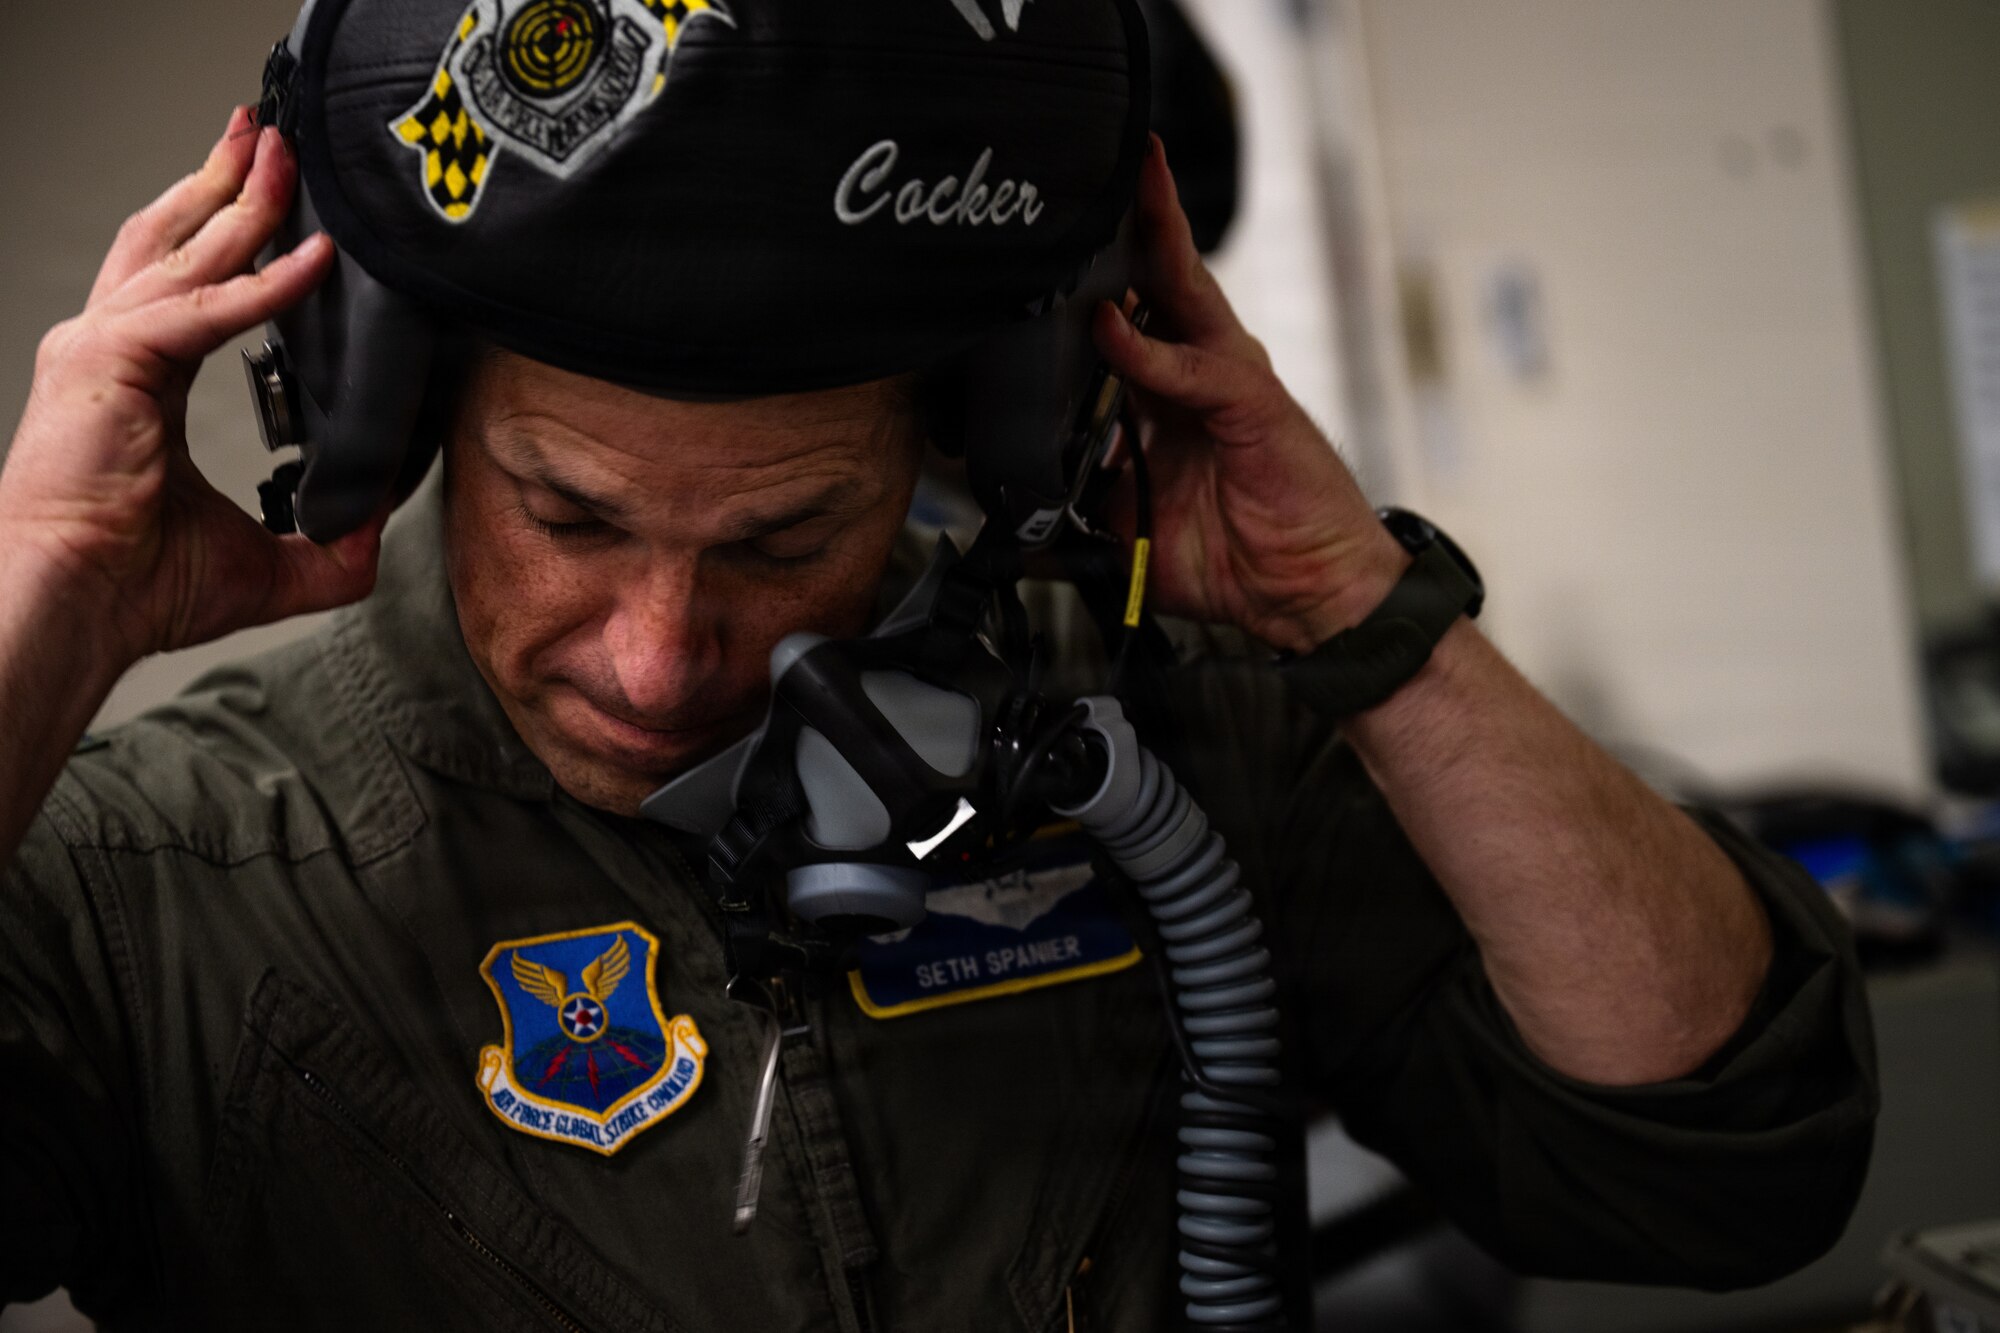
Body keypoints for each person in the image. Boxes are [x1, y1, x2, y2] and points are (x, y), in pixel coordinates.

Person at [0, 3, 1874, 1329]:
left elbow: (1721, 1166)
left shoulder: (1158, 740)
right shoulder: (157, 882)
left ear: (985, 440)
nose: (661, 661)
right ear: (383, 416)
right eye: (569, 518)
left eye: (779, 540)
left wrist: (1355, 617)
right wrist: (48, 591)